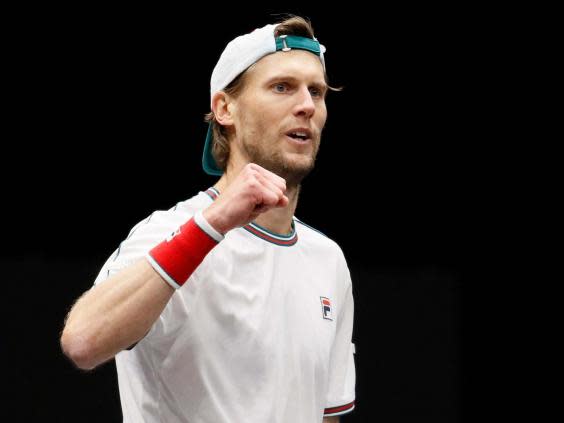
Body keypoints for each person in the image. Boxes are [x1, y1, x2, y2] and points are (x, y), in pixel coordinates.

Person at [61, 15, 356, 423]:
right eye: (282, 87)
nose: (307, 105)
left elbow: (324, 415)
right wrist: (212, 225)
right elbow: (83, 341)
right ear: (224, 108)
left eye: (317, 92)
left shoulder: (329, 260)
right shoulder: (171, 231)